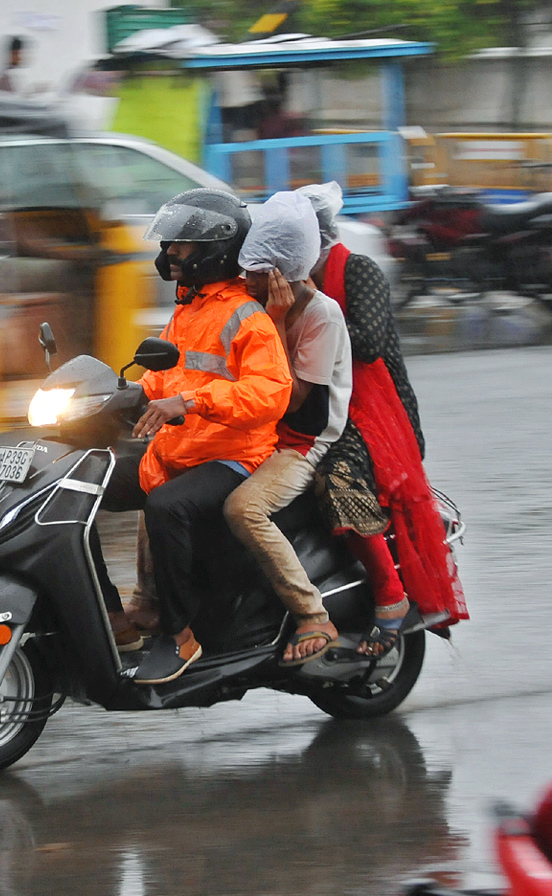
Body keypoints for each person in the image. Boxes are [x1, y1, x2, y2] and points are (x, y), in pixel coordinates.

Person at [98, 188, 292, 683]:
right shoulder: (189, 309)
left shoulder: (249, 317)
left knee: (167, 506)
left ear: (214, 249)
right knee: (84, 482)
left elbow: (270, 393)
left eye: (179, 246)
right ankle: (109, 613)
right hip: (182, 449)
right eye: (168, 245)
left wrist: (191, 402)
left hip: (234, 456)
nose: (168, 256)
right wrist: (121, 395)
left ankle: (179, 635)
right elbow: (170, 377)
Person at [300, 182, 468, 656]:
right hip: (322, 408)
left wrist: (304, 309)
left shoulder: (358, 270)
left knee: (337, 477)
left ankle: (390, 597)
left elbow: (369, 344)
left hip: (376, 414)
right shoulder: (283, 282)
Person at [223, 190, 352, 665]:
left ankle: (312, 612)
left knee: (243, 509)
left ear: (282, 272)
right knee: (165, 475)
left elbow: (294, 399)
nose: (247, 279)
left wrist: (275, 322)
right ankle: (151, 607)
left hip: (303, 442)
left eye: (256, 272)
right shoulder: (254, 305)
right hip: (263, 430)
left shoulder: (321, 315)